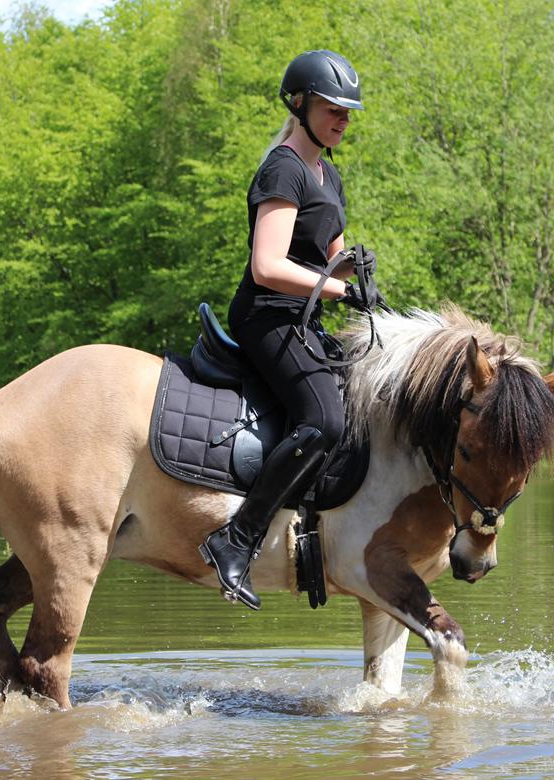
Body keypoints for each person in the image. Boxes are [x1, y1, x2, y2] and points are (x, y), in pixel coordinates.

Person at [198, 50, 377, 610]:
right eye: (333, 109)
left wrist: (357, 272)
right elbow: (268, 265)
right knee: (322, 421)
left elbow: (330, 254)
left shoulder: (328, 172)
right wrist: (338, 289)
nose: (343, 120)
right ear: (299, 105)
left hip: (302, 318)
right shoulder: (283, 167)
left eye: (349, 111)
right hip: (266, 316)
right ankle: (236, 539)